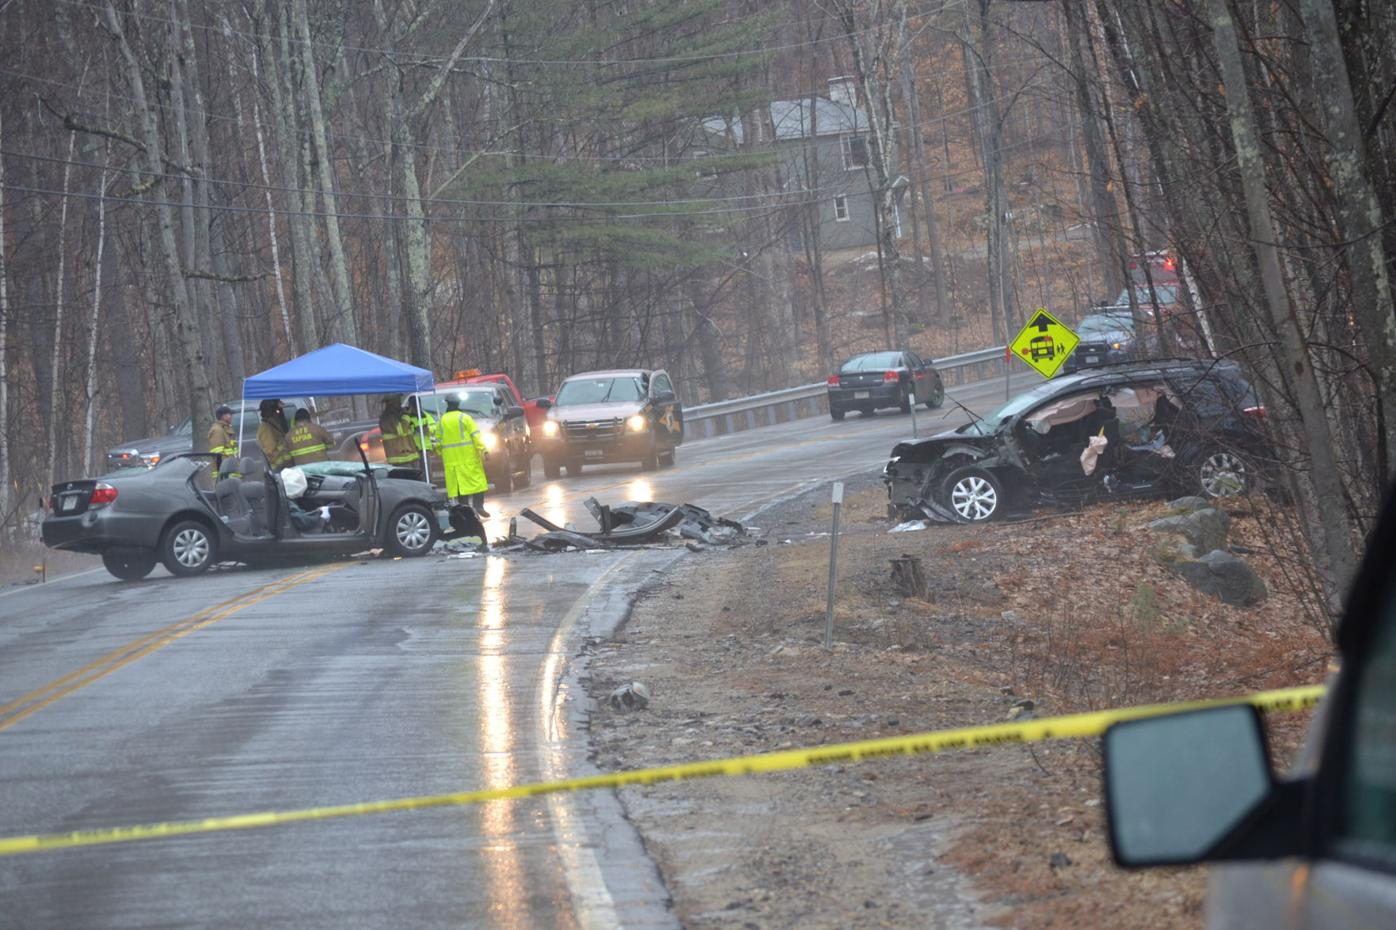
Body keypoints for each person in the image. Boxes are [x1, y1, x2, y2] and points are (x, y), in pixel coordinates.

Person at [438, 395, 490, 517]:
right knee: (478, 484)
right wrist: (484, 450)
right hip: (469, 458)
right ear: (458, 404)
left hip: (451, 462)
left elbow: (437, 441)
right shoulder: (465, 418)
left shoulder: (441, 421)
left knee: (460, 488)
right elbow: (476, 436)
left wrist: (441, 453)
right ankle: (478, 506)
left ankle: (467, 511)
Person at [379, 396, 419, 467]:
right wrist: (406, 415)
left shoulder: (397, 415)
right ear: (391, 403)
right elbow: (401, 431)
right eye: (397, 401)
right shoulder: (388, 417)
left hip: (408, 456)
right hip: (400, 458)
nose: (400, 403)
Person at [256, 398, 292, 470]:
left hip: (285, 468)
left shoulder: (274, 425)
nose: (280, 413)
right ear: (271, 411)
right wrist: (284, 465)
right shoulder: (266, 429)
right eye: (278, 410)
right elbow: (270, 452)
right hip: (279, 469)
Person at [208, 405, 238, 472]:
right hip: (224, 472)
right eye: (229, 414)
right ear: (223, 416)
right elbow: (217, 455)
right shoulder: (217, 430)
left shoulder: (226, 429)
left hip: (230, 468)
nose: (231, 416)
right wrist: (222, 473)